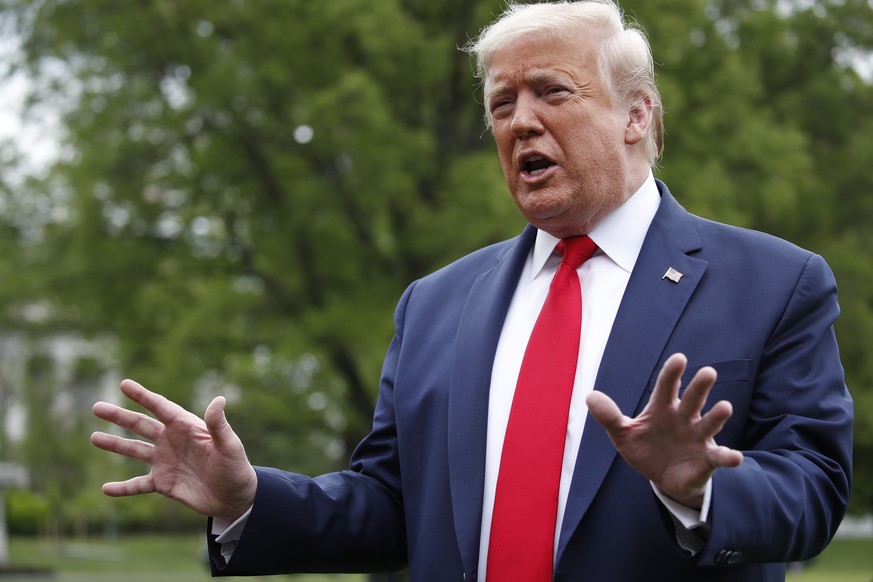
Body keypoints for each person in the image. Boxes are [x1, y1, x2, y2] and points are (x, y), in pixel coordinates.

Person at [90, 1, 853, 581]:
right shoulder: (435, 304)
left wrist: (700, 487)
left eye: (551, 92)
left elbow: (815, 488)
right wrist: (250, 497)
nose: (520, 121)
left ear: (635, 115)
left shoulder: (773, 283)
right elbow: (391, 505)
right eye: (500, 103)